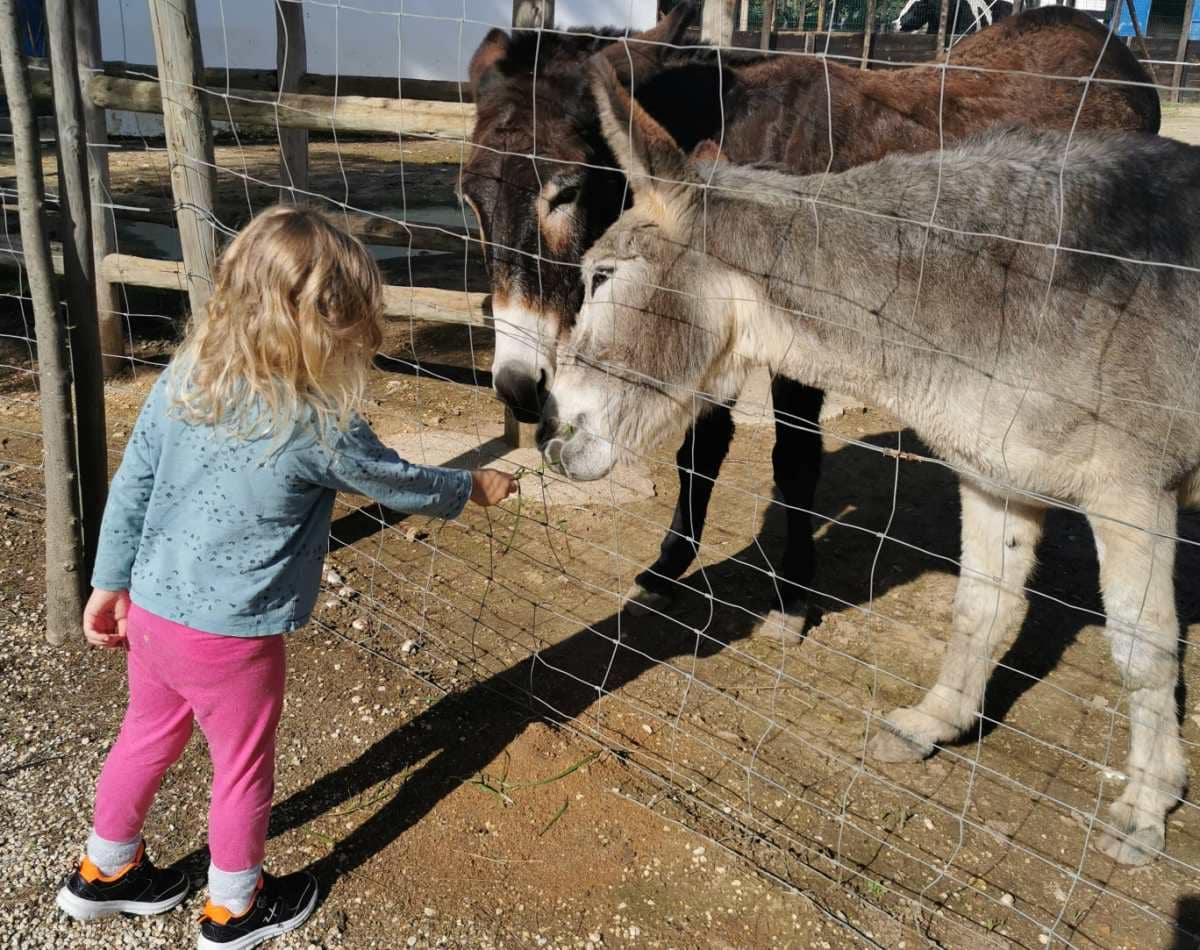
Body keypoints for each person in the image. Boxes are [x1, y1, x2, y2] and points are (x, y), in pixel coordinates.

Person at [54, 206, 516, 948]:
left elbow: (134, 483)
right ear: (325, 326)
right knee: (241, 769)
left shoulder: (185, 377)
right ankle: (234, 909)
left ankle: (105, 873)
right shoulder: (313, 421)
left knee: (144, 735)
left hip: (153, 611)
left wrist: (109, 584)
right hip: (231, 639)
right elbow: (395, 482)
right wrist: (472, 489)